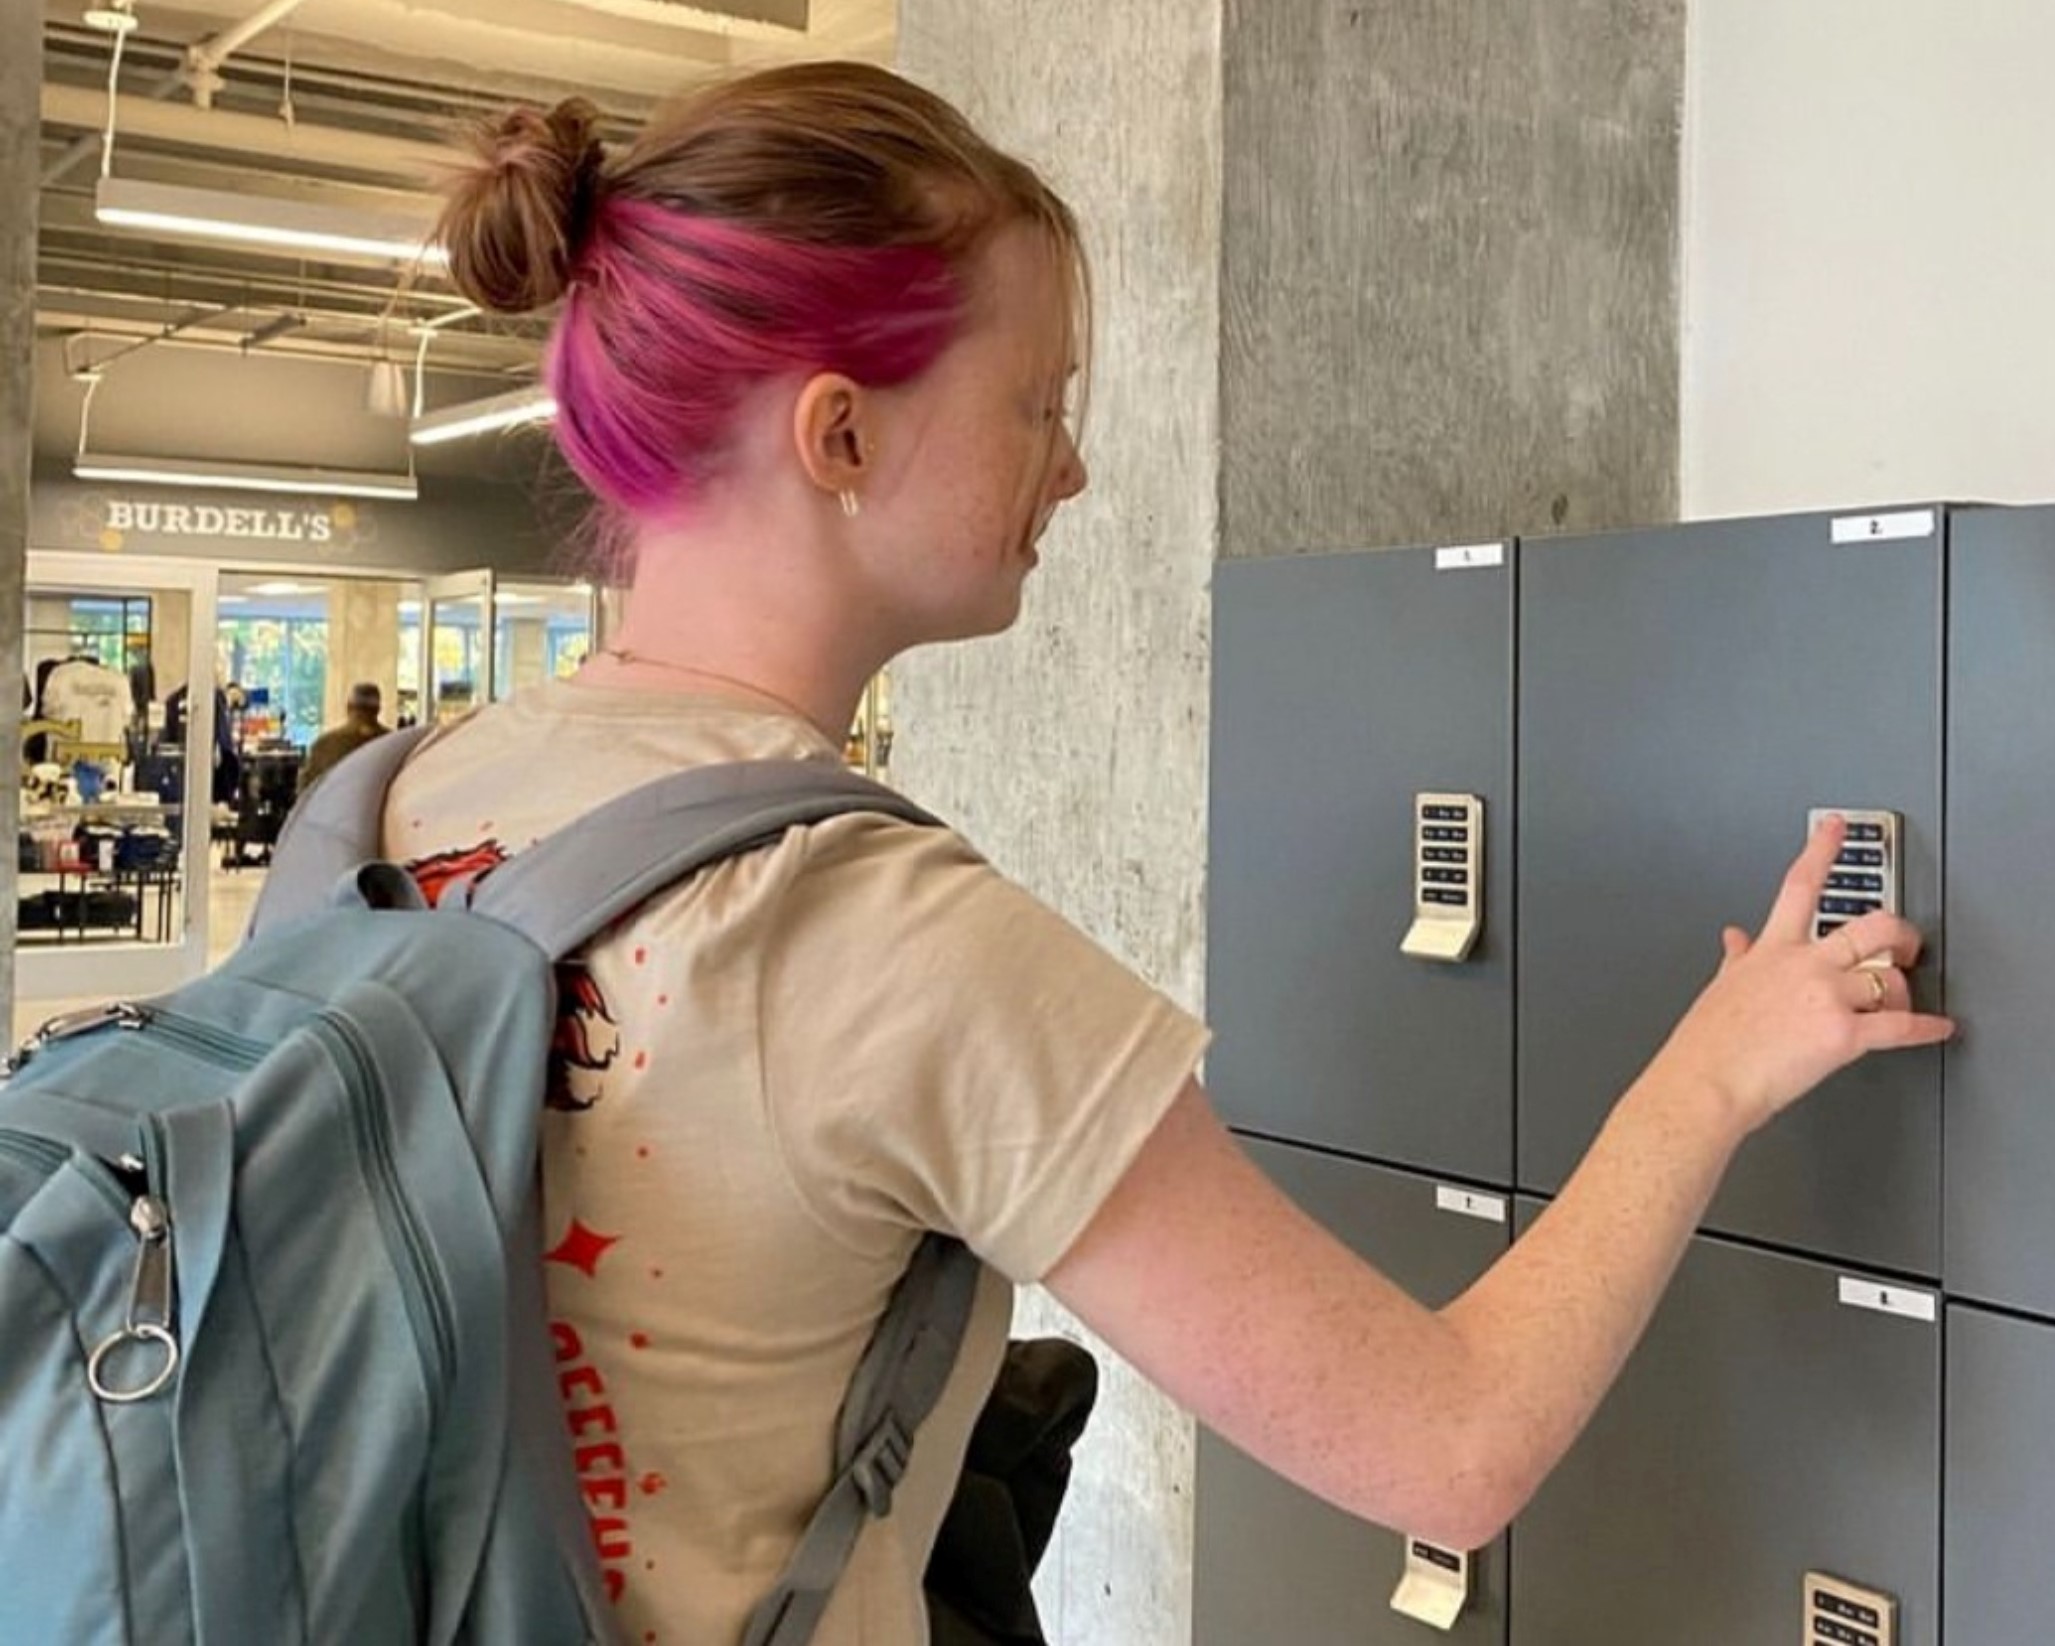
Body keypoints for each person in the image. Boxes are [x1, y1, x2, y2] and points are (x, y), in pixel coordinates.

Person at [418, 64, 1955, 1645]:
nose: (1068, 469)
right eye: (1036, 402)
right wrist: (1716, 1067)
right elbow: (1449, 1439)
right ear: (841, 432)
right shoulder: (876, 937)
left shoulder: (411, 798)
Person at [298, 682, 390, 796]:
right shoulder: (393, 745)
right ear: (378, 710)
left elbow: (304, 793)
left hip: (333, 811)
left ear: (348, 708)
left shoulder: (323, 745)